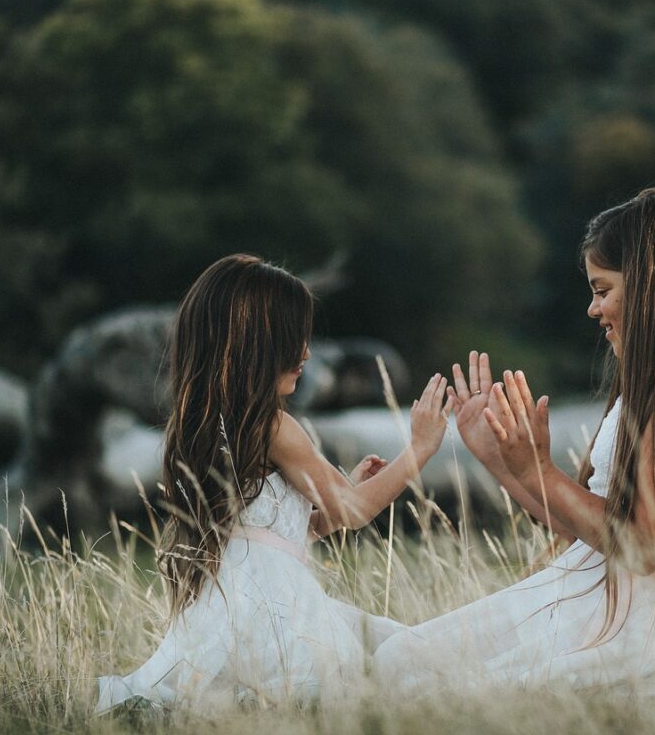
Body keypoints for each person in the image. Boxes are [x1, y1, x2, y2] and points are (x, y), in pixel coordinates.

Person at [372, 186, 655, 694]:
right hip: (599, 593)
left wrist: (539, 470)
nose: (593, 310)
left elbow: (642, 545)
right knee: (398, 659)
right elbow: (590, 527)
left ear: (650, 288)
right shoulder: (650, 390)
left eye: (603, 290)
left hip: (648, 625)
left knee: (417, 673)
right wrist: (497, 459)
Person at [96, 254, 450, 713]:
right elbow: (354, 513)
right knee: (393, 662)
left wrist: (342, 492)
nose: (305, 352)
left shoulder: (207, 425)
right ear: (255, 345)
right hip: (275, 610)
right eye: (293, 339)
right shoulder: (274, 426)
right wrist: (419, 449)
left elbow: (278, 533)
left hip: (228, 612)